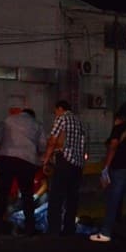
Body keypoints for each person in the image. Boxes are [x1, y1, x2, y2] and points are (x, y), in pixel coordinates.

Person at [90, 109, 126, 242]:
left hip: (120, 168)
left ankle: (106, 232)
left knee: (113, 199)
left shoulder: (118, 129)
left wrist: (106, 166)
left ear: (118, 119)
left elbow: (114, 146)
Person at [0, 107, 47, 237]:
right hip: (27, 162)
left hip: (6, 159)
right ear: (32, 116)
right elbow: (42, 146)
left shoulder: (8, 120)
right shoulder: (37, 125)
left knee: (2, 193)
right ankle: (30, 227)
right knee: (27, 195)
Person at [42, 100, 87, 236]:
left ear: (60, 108)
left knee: (56, 197)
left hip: (64, 161)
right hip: (77, 164)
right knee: (72, 198)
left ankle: (54, 229)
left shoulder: (62, 119)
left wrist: (47, 158)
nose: (55, 114)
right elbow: (84, 144)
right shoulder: (79, 122)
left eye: (55, 111)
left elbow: (52, 140)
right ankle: (69, 228)